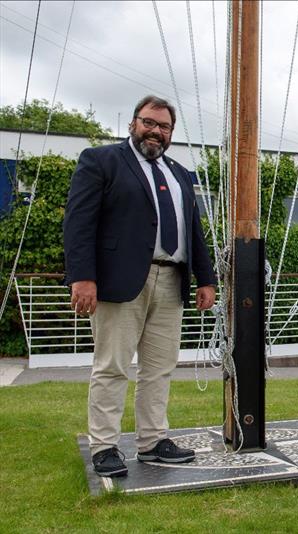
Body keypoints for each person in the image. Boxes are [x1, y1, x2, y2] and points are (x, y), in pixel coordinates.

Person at [63, 95, 217, 477]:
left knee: (159, 368)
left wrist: (207, 277)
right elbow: (79, 223)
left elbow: (192, 230)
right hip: (119, 280)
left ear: (171, 133)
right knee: (112, 366)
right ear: (133, 123)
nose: (156, 131)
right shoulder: (101, 161)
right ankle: (105, 446)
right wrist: (83, 277)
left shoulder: (181, 174)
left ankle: (152, 441)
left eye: (163, 127)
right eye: (149, 122)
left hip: (172, 279)